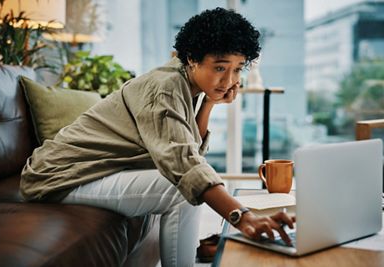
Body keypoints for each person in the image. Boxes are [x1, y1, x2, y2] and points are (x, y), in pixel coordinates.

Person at [20, 7, 295, 267]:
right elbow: (186, 165)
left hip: (89, 171)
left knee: (188, 183)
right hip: (58, 177)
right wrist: (241, 216)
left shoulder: (185, 84)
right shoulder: (164, 88)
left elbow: (189, 150)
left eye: (238, 68)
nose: (230, 80)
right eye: (220, 67)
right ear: (191, 58)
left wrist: (210, 103)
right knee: (181, 189)